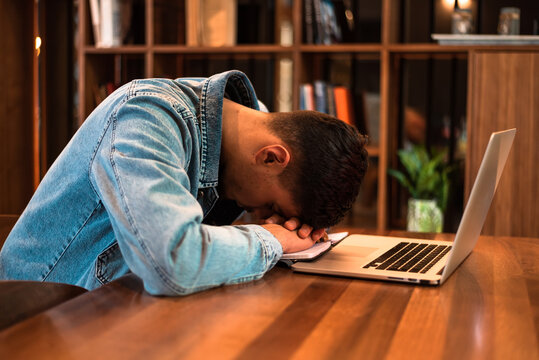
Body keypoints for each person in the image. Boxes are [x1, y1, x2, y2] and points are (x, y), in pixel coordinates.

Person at [0, 70, 368, 296]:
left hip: (121, 309)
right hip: (40, 317)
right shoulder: (144, 118)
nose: (262, 216)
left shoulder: (254, 125)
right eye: (272, 209)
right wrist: (272, 238)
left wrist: (290, 232)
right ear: (270, 157)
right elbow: (172, 262)